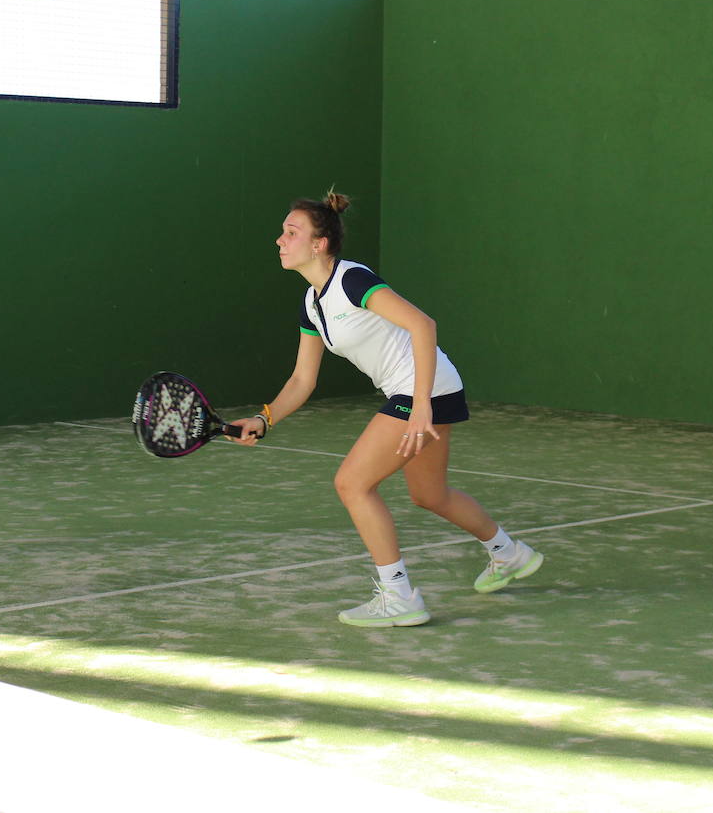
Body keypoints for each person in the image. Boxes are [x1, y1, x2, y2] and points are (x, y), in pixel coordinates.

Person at [230, 191, 542, 627]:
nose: (280, 240)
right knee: (429, 494)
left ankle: (399, 596)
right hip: (433, 389)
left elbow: (423, 325)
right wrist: (264, 418)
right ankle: (509, 553)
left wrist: (419, 405)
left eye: (291, 232)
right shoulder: (312, 304)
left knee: (352, 484)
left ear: (319, 244)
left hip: (422, 391)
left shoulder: (352, 280)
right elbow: (303, 380)